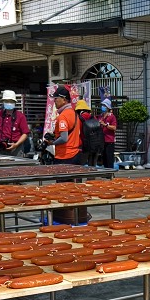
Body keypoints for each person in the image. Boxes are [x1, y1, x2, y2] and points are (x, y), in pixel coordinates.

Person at [45, 85, 87, 224]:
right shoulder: (74, 114)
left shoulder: (63, 116)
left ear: (63, 99)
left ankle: (65, 218)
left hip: (64, 157)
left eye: (56, 99)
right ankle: (77, 216)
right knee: (75, 189)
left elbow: (64, 138)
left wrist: (51, 142)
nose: (54, 101)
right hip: (76, 155)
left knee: (62, 190)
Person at [0, 89, 30, 156]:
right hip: (1, 147)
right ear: (3, 102)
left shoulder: (20, 116)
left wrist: (16, 144)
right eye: (7, 101)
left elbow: (25, 133)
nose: (9, 103)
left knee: (17, 166)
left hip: (16, 148)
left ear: (15, 102)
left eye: (11, 101)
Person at [74, 98, 103, 167]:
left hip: (84, 145)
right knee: (92, 166)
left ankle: (79, 178)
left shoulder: (79, 119)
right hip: (95, 144)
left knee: (80, 166)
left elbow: (78, 132)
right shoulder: (93, 117)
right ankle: (91, 178)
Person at [98, 98, 118, 168]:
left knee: (109, 158)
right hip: (102, 140)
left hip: (109, 140)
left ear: (108, 107)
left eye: (104, 105)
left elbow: (114, 128)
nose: (102, 107)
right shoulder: (101, 116)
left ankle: (111, 174)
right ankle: (106, 173)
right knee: (104, 158)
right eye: (102, 105)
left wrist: (105, 125)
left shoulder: (112, 117)